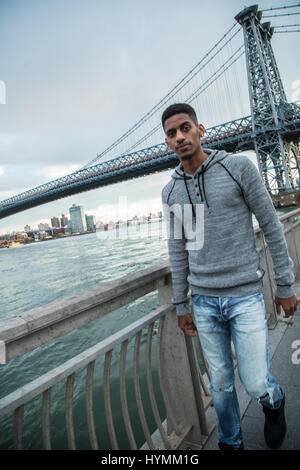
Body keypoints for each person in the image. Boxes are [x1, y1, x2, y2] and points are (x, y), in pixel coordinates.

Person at [161, 103, 298, 451]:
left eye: (185, 128)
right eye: (172, 133)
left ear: (200, 129)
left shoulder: (238, 167)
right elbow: (178, 250)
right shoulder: (171, 191)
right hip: (203, 302)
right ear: (167, 143)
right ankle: (230, 442)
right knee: (221, 384)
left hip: (245, 296)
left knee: (254, 382)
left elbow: (270, 224)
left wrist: (285, 284)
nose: (180, 137)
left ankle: (275, 402)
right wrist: (181, 304)